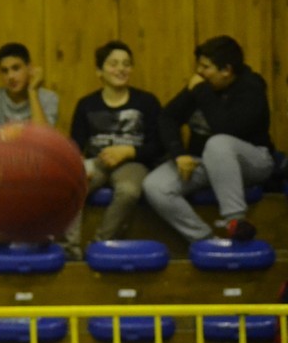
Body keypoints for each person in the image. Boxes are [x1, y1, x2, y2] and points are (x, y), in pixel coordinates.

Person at [142, 35, 274, 243]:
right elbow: (167, 117)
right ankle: (206, 240)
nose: (199, 72)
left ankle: (236, 221)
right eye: (199, 66)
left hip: (253, 161)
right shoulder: (202, 85)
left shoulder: (251, 88)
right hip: (205, 161)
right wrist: (179, 154)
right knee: (155, 185)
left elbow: (226, 128)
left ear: (226, 70)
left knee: (218, 142)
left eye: (205, 67)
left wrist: (201, 92)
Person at [63, 41, 162, 259]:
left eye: (126, 64)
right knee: (70, 186)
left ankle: (99, 245)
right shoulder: (86, 104)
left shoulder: (146, 102)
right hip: (97, 162)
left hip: (133, 163)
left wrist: (128, 151)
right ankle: (70, 251)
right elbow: (75, 146)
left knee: (128, 191)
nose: (121, 69)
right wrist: (79, 165)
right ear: (99, 71)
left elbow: (157, 146)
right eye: (113, 64)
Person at [0, 41, 59, 136]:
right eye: (5, 71)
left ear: (29, 68)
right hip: (0, 146)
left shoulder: (48, 98)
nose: (10, 76)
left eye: (16, 68)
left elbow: (43, 138)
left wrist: (32, 91)